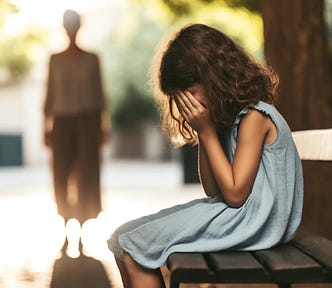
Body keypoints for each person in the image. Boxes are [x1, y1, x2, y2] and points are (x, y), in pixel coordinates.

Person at [107, 23, 303, 288]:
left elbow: (234, 195)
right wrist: (204, 134)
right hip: (240, 217)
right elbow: (213, 190)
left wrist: (207, 131)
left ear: (213, 77)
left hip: (256, 223)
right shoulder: (228, 120)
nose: (186, 104)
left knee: (136, 248)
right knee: (121, 239)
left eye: (189, 93)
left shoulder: (255, 117)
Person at [43, 9, 109, 253]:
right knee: (61, 175)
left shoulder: (92, 59)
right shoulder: (55, 59)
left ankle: (80, 234)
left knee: (86, 177)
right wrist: (46, 125)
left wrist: (103, 125)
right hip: (61, 123)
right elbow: (49, 92)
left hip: (87, 124)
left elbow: (101, 94)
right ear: (64, 28)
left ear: (79, 27)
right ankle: (63, 229)